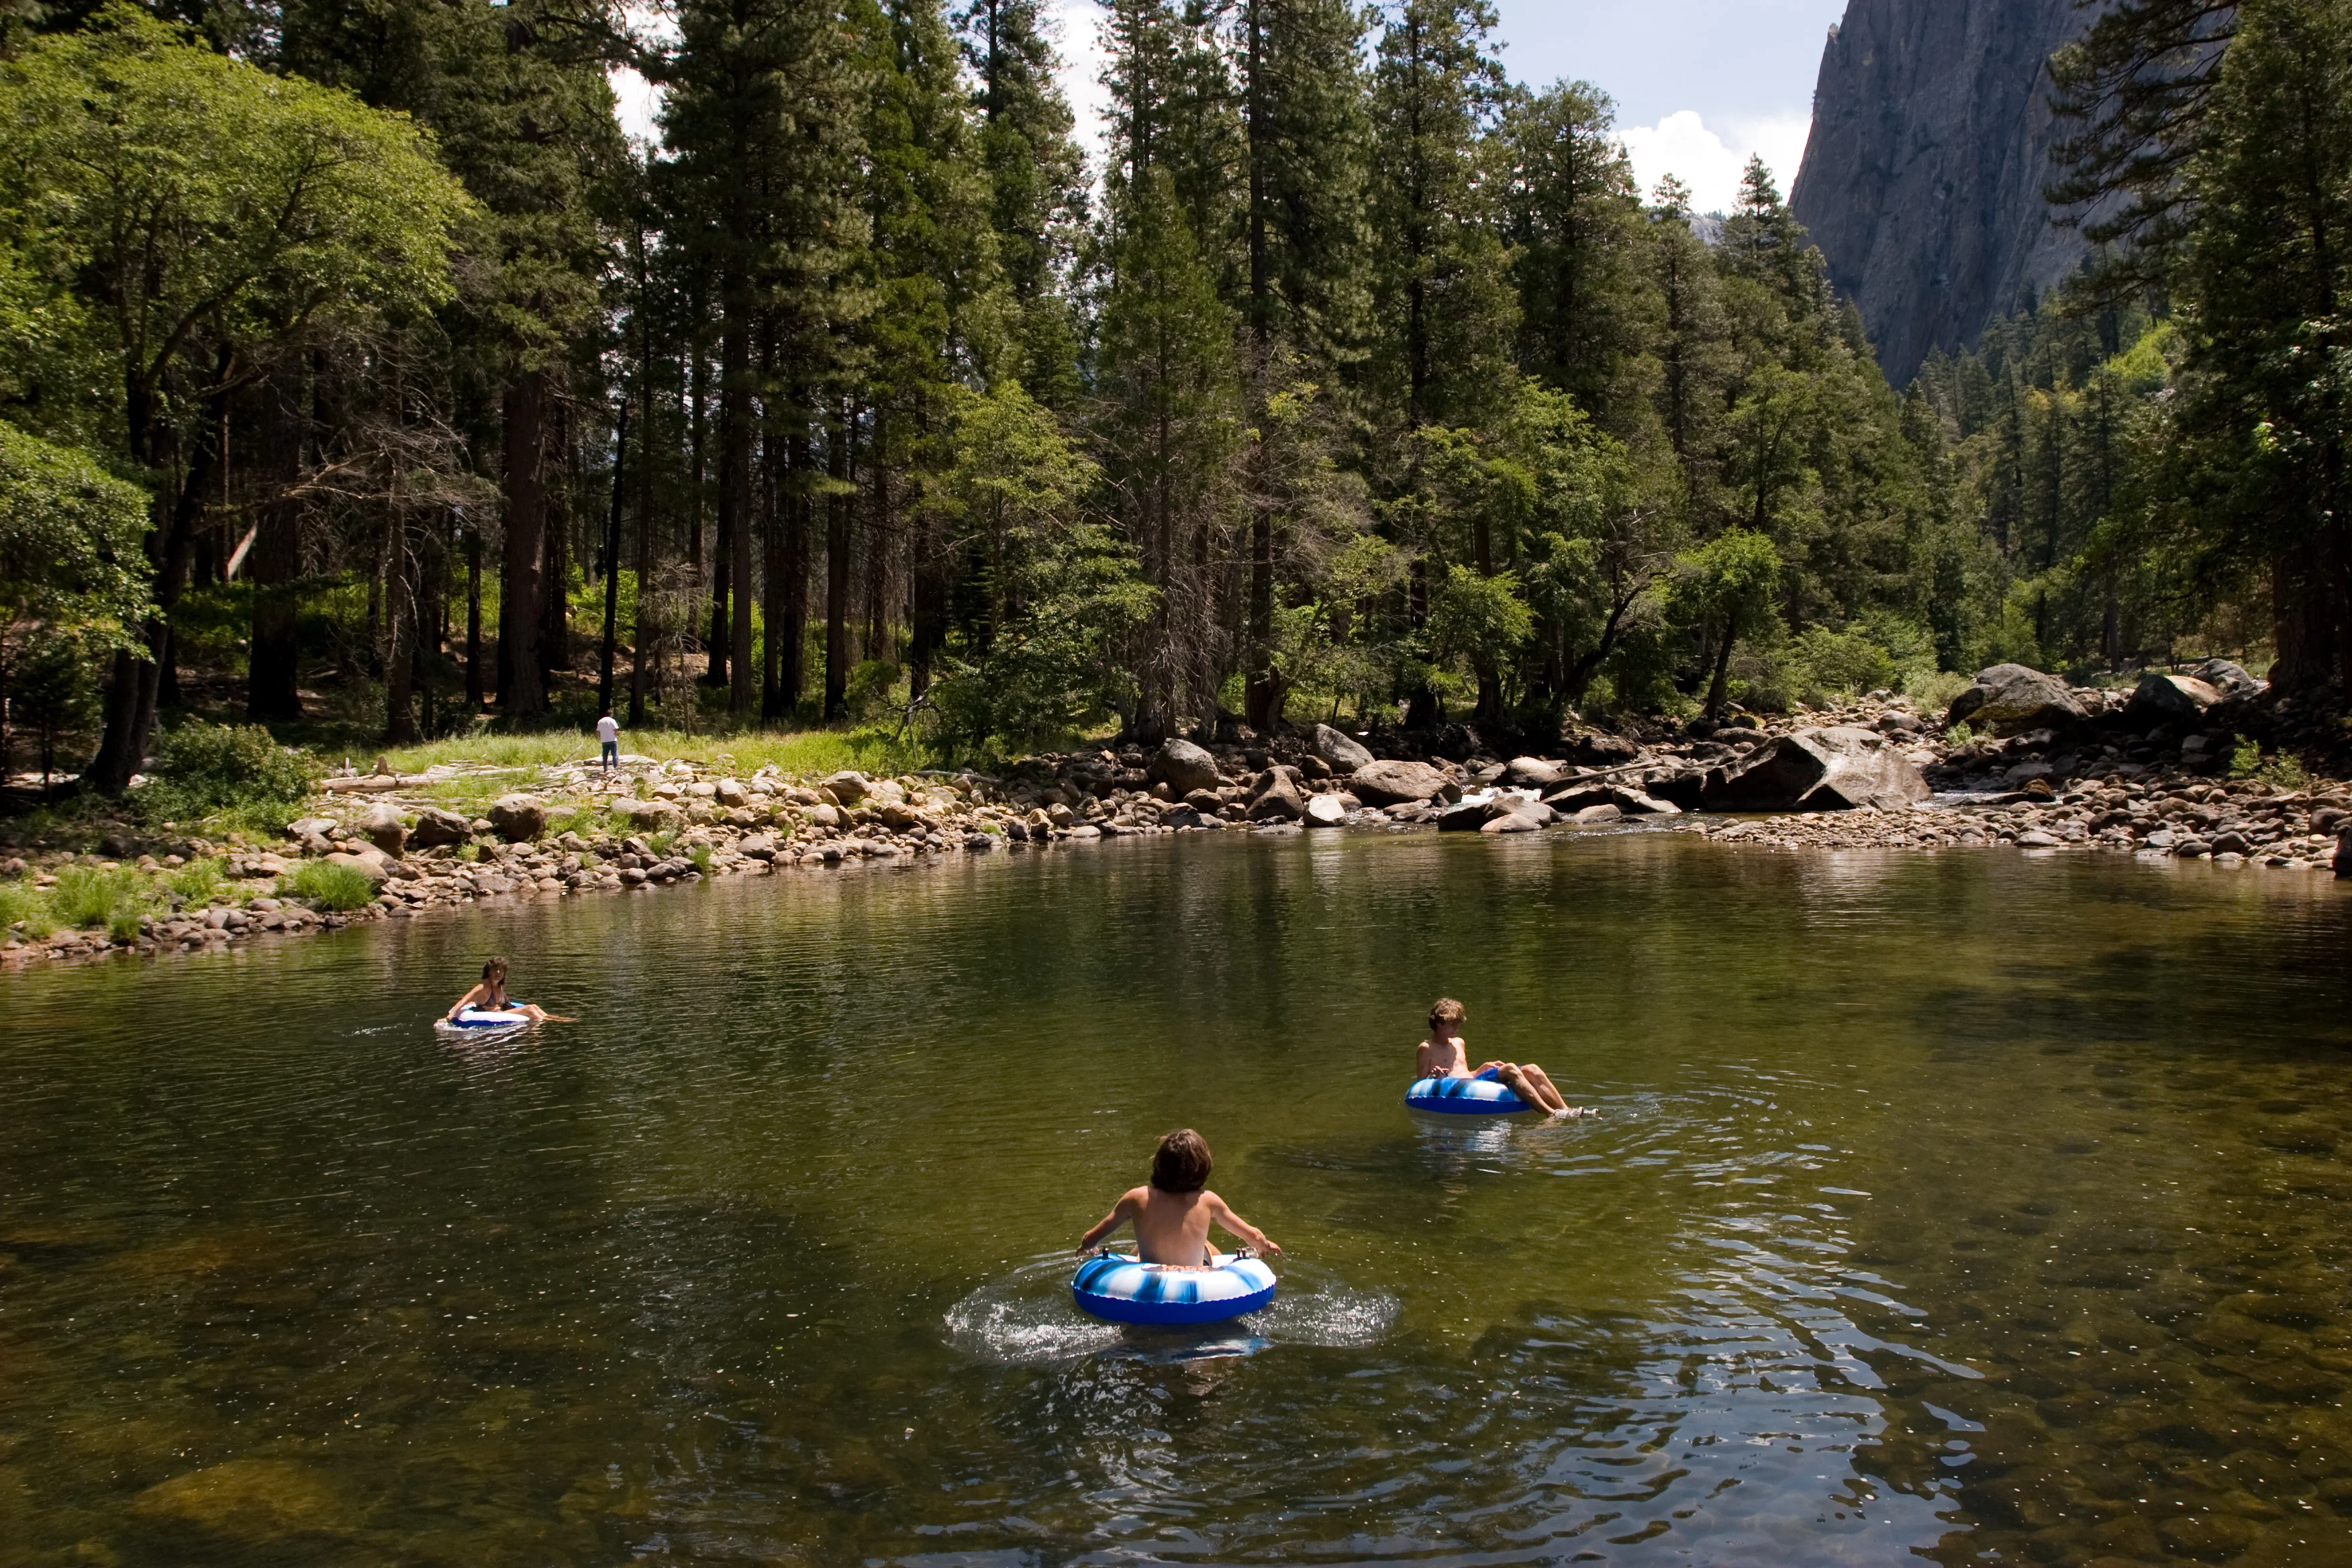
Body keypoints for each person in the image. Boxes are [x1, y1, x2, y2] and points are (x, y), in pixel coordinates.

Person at [1077, 1129, 1282, 1267]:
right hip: (1194, 1281)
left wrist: (1088, 1247)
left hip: (1148, 1284)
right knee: (1207, 1246)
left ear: (1158, 1164)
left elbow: (1090, 1238)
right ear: (1203, 1168)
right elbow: (1253, 1236)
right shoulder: (1208, 1201)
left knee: (1138, 1248)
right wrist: (1263, 1245)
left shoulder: (1135, 1198)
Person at [1416, 997, 1583, 1116]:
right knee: (1510, 1068)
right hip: (1450, 1087)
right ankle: (1551, 1113)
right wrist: (1433, 1077)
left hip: (1473, 1082)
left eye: (1458, 1024)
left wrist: (1481, 1069)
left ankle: (1567, 1110)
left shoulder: (1459, 1043)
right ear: (1438, 1023)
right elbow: (1420, 1084)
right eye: (1452, 1023)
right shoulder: (1426, 1048)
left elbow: (1466, 1073)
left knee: (1532, 1069)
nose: (1456, 1028)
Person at [445, 957, 568, 1024]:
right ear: (489, 972)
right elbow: (465, 999)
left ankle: (553, 1018)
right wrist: (450, 1016)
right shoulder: (484, 986)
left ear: (504, 973)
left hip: (499, 1013)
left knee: (533, 1006)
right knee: (529, 1009)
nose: (498, 973)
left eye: (501, 970)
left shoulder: (499, 985)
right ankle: (548, 1022)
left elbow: (507, 1004)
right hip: (491, 1015)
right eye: (494, 970)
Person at [595, 709, 620, 773]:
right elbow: (615, 729)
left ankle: (605, 769)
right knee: (614, 755)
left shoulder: (600, 721)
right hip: (612, 740)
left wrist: (600, 737)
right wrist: (615, 735)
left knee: (605, 755)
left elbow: (598, 731)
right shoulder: (612, 721)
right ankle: (616, 768)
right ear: (611, 714)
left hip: (604, 740)